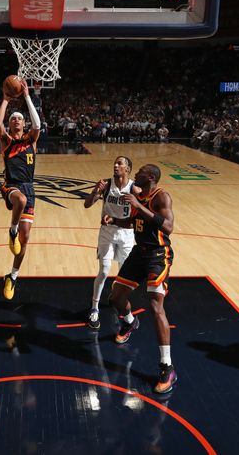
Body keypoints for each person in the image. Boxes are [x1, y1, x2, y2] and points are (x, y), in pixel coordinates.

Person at [104, 164, 177, 394]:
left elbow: (168, 227)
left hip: (158, 255)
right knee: (115, 297)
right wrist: (115, 221)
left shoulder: (161, 196)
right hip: (139, 253)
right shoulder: (137, 196)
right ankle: (129, 321)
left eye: (142, 171)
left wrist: (138, 206)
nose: (137, 174)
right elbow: (135, 223)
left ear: (151, 177)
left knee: (156, 306)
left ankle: (167, 367)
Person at [0, 79, 41, 300]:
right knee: (20, 201)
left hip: (29, 188)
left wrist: (27, 97)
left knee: (25, 239)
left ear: (24, 124)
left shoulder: (31, 139)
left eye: (19, 118)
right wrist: (5, 100)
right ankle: (11, 230)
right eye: (12, 118)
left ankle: (12, 275)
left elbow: (38, 124)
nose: (15, 120)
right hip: (11, 186)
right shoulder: (6, 141)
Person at [83, 156, 135, 329]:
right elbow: (87, 204)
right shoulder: (106, 184)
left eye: (120, 163)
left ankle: (117, 298)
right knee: (104, 271)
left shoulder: (134, 188)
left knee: (124, 276)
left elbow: (139, 216)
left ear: (127, 169)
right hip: (107, 234)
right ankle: (94, 308)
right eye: (115, 162)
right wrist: (95, 191)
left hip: (127, 235)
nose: (115, 165)